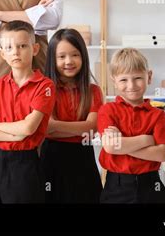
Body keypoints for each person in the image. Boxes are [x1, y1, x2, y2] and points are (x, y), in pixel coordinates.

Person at [0, 20, 55, 203]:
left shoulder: (45, 86)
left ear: (34, 49)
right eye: (9, 47)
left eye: (22, 46)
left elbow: (28, 128)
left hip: (24, 161)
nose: (15, 52)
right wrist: (13, 135)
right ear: (2, 53)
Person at [98, 48, 165, 203]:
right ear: (114, 81)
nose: (131, 85)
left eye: (138, 77)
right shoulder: (107, 111)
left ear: (149, 76)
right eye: (123, 80)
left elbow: (161, 154)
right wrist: (148, 140)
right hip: (116, 188)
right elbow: (112, 147)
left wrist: (124, 146)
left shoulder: (158, 115)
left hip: (151, 187)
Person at [41, 28, 103, 203]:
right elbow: (44, 129)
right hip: (52, 160)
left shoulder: (93, 91)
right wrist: (78, 128)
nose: (69, 61)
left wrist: (55, 126)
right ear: (52, 59)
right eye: (61, 57)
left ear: (83, 56)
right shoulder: (45, 89)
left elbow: (92, 128)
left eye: (75, 55)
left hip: (83, 159)